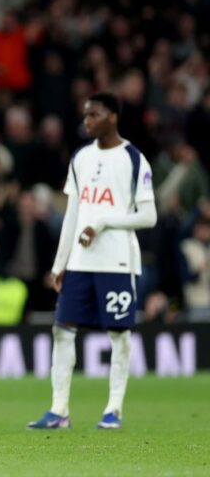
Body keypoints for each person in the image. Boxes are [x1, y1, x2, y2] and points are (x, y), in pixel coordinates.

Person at [28, 93, 157, 430]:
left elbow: (149, 216)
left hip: (117, 261)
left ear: (112, 117)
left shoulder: (133, 158)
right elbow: (73, 214)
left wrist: (103, 222)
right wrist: (60, 263)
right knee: (62, 331)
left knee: (119, 334)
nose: (87, 121)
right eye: (85, 115)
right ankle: (59, 411)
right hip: (81, 263)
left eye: (94, 115)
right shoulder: (81, 157)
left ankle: (113, 410)